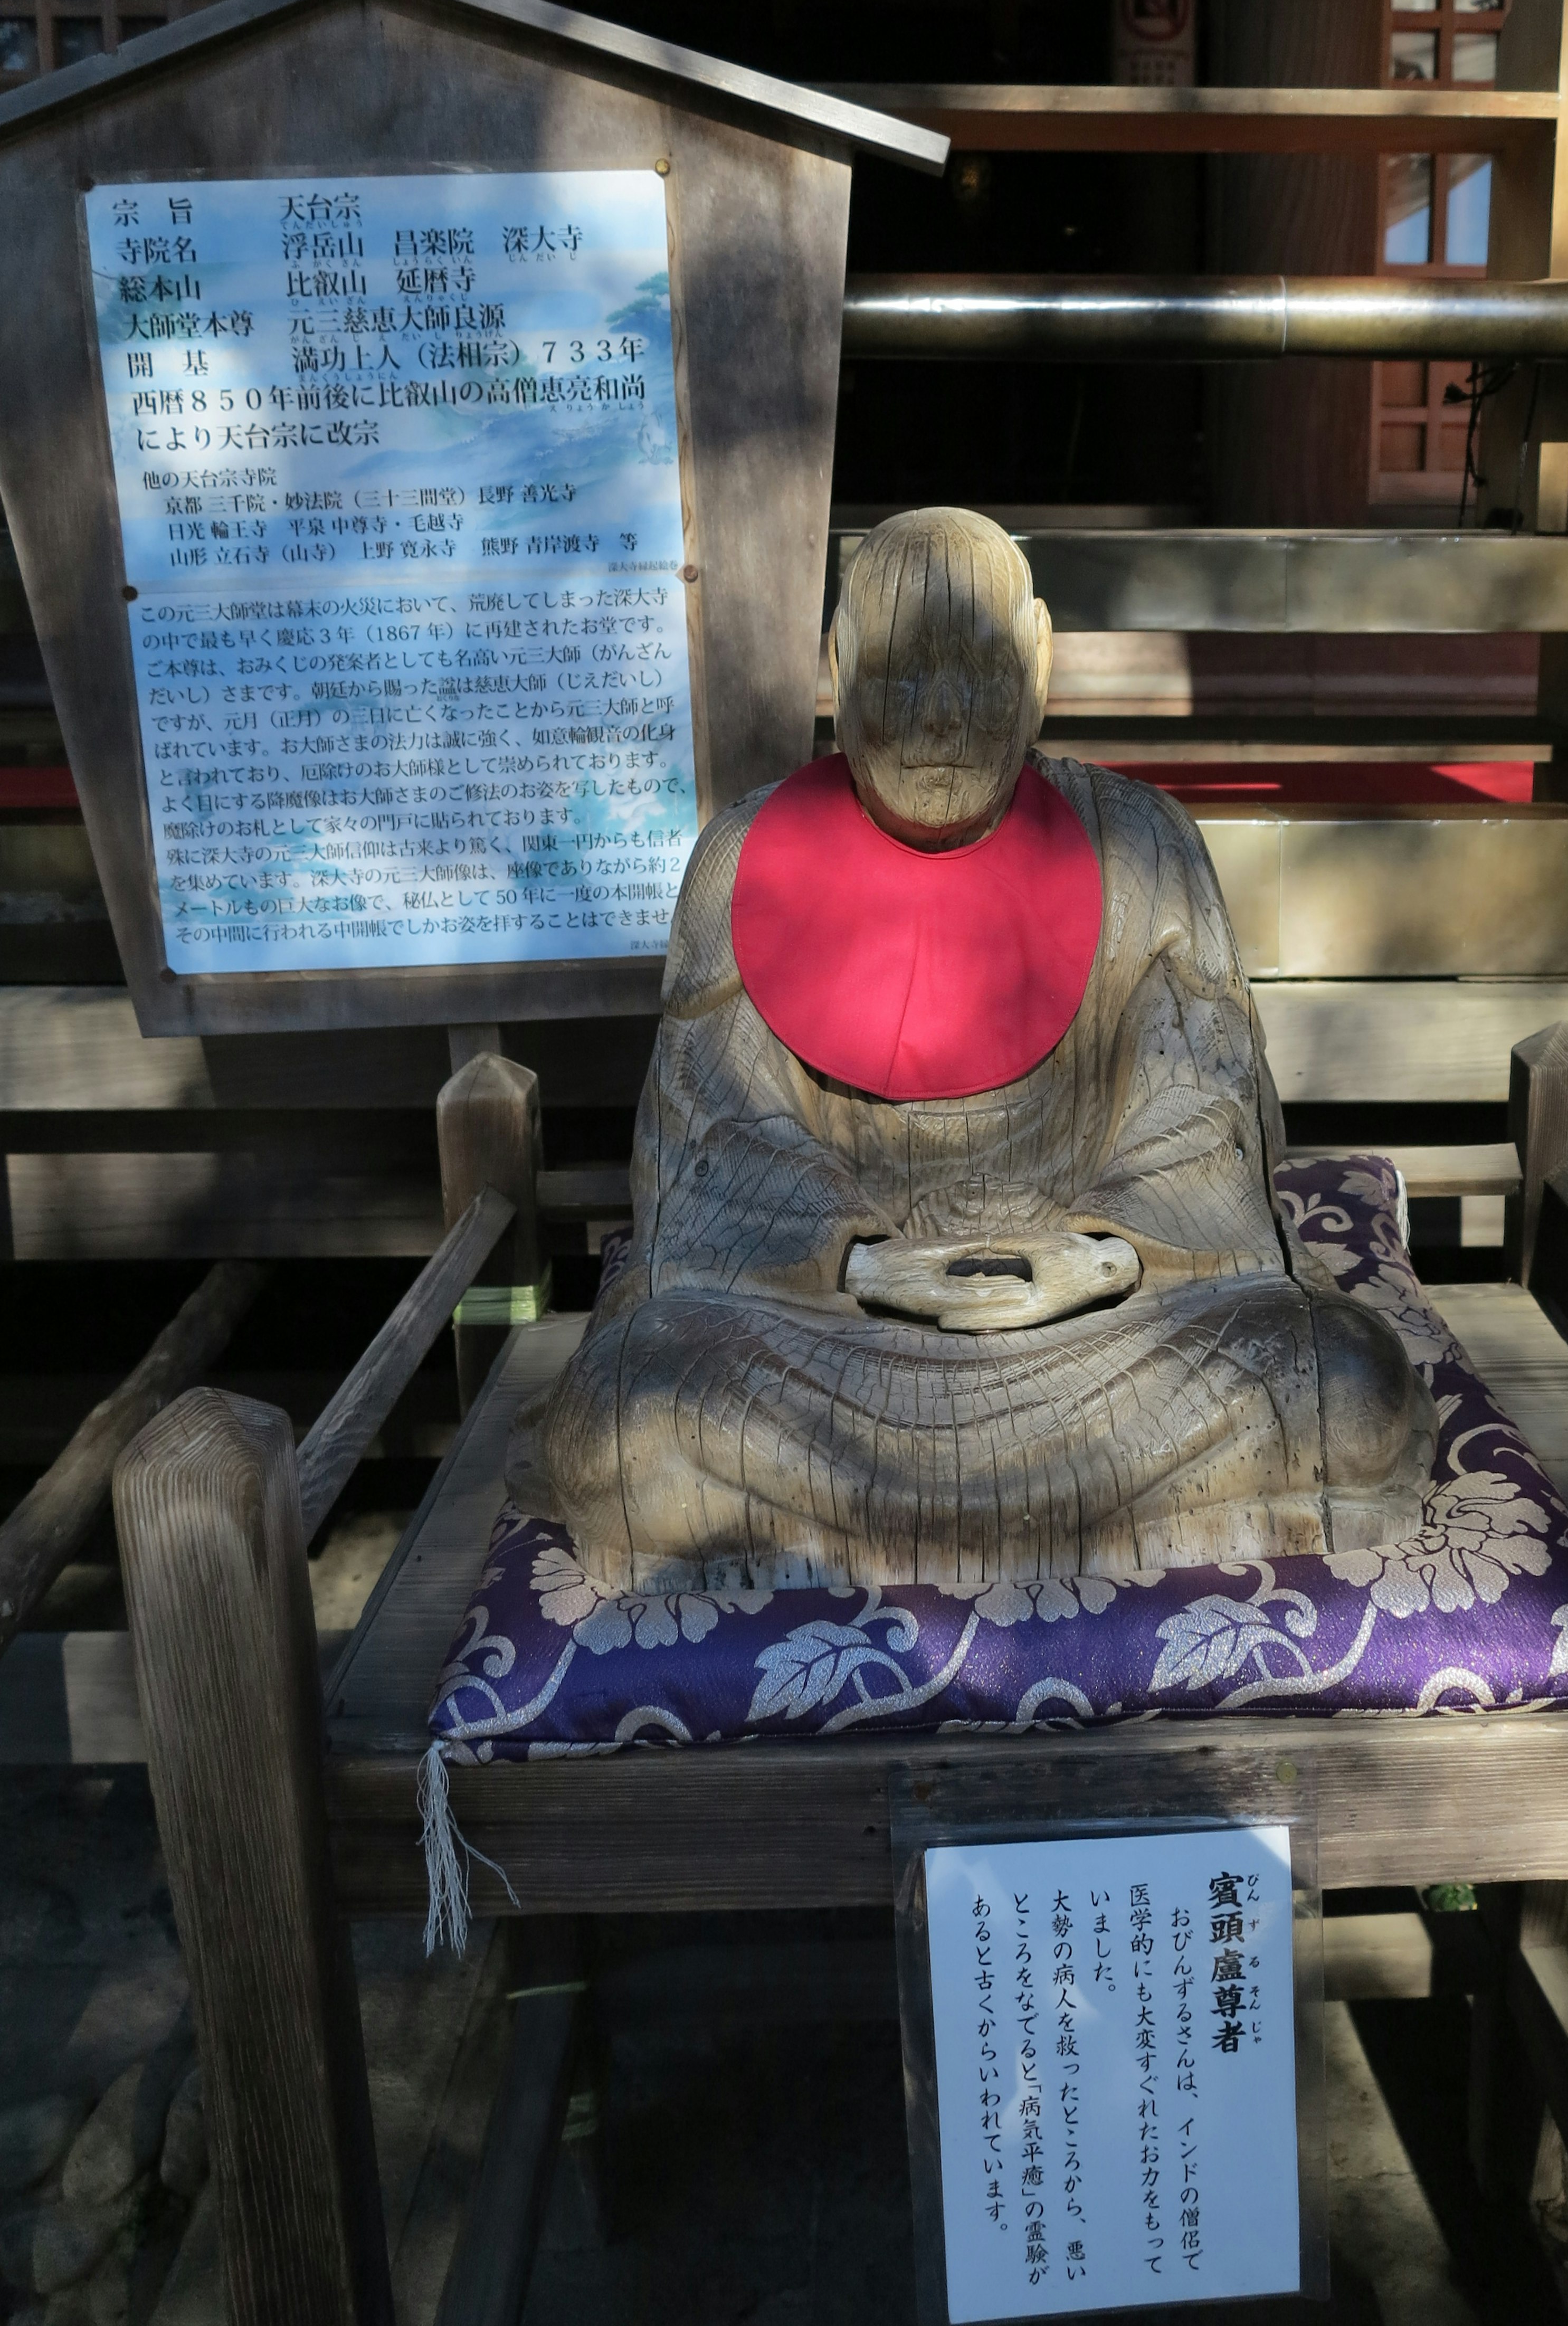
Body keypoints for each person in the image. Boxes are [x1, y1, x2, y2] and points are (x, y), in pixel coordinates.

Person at [540, 506, 1434, 1593]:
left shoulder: (1141, 847)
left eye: (979, 672)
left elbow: (1197, 1120)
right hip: (835, 1338)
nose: (942, 719)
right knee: (625, 1417)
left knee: (1346, 1385)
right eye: (901, 677)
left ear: (1042, 661)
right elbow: (713, 1150)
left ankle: (858, 1532)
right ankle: (1108, 1518)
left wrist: (1101, 1256)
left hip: (1106, 1329)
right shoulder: (742, 859)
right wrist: (865, 1264)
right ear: (836, 664)